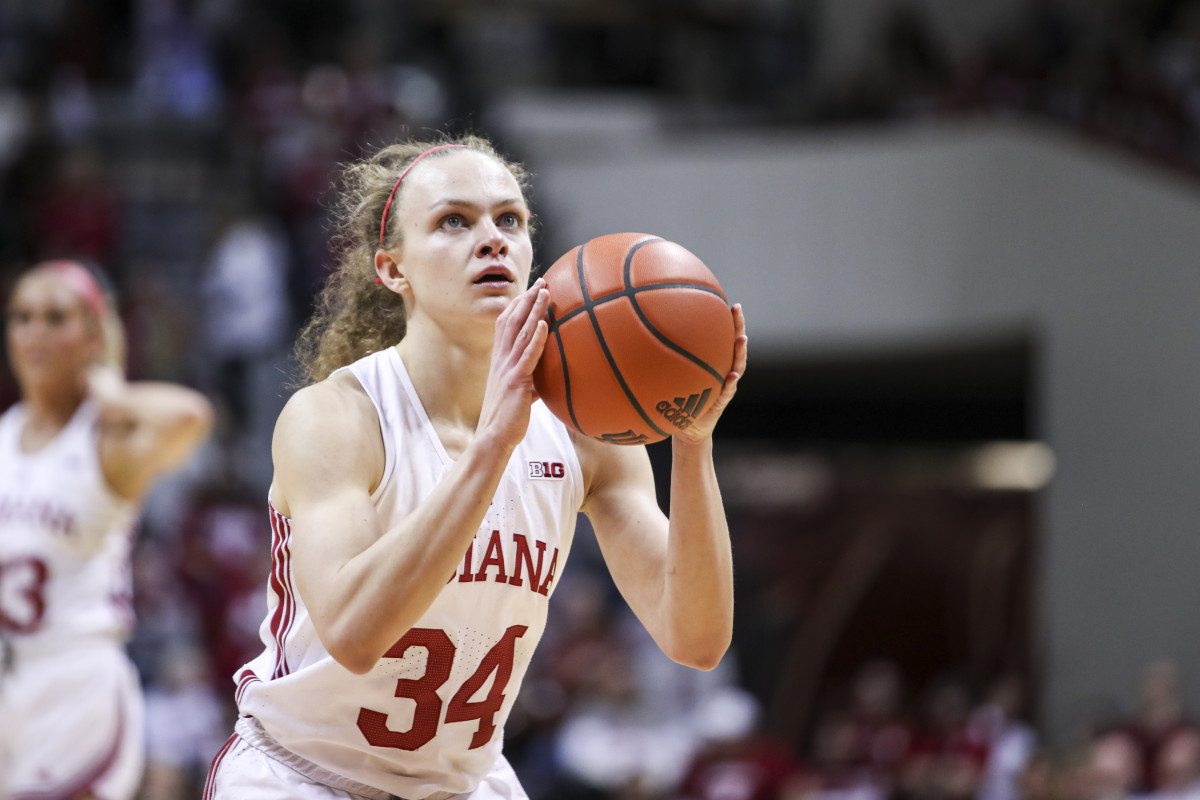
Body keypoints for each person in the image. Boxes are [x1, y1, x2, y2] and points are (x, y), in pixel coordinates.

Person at [204, 133, 748, 800]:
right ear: (392, 270)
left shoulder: (586, 433)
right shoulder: (336, 418)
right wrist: (492, 446)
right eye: (453, 221)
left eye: (509, 220)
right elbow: (351, 632)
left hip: (462, 783)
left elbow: (695, 638)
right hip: (302, 776)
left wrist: (691, 446)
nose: (491, 238)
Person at [0, 259, 214, 799]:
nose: (35, 333)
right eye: (22, 317)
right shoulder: (3, 438)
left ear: (94, 334)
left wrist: (109, 388)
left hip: (76, 681)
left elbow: (189, 415)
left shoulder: (104, 439)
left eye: (56, 318)